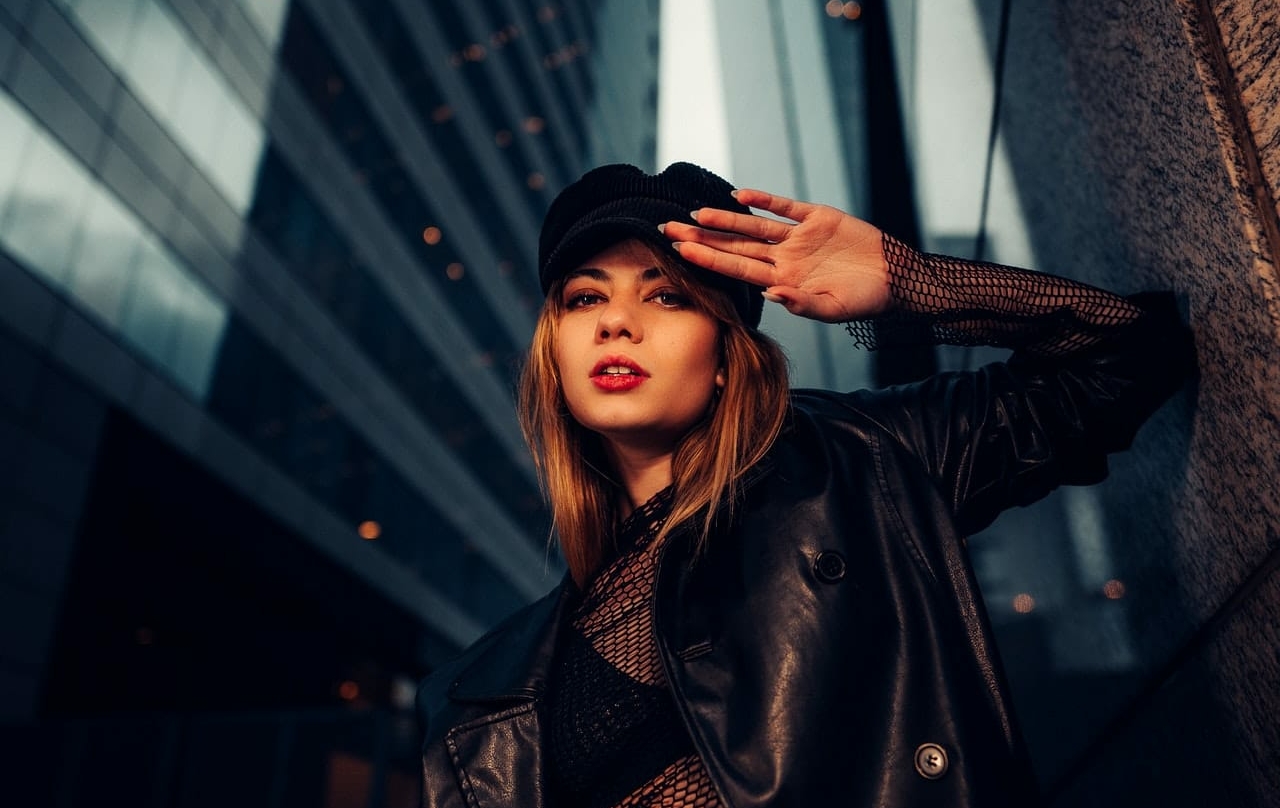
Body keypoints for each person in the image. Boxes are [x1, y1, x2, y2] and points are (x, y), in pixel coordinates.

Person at [415, 162, 1194, 807]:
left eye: (666, 294)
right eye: (586, 297)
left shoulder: (857, 464)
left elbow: (1127, 356)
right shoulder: (481, 692)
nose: (616, 322)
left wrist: (909, 285)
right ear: (555, 353)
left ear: (726, 358)